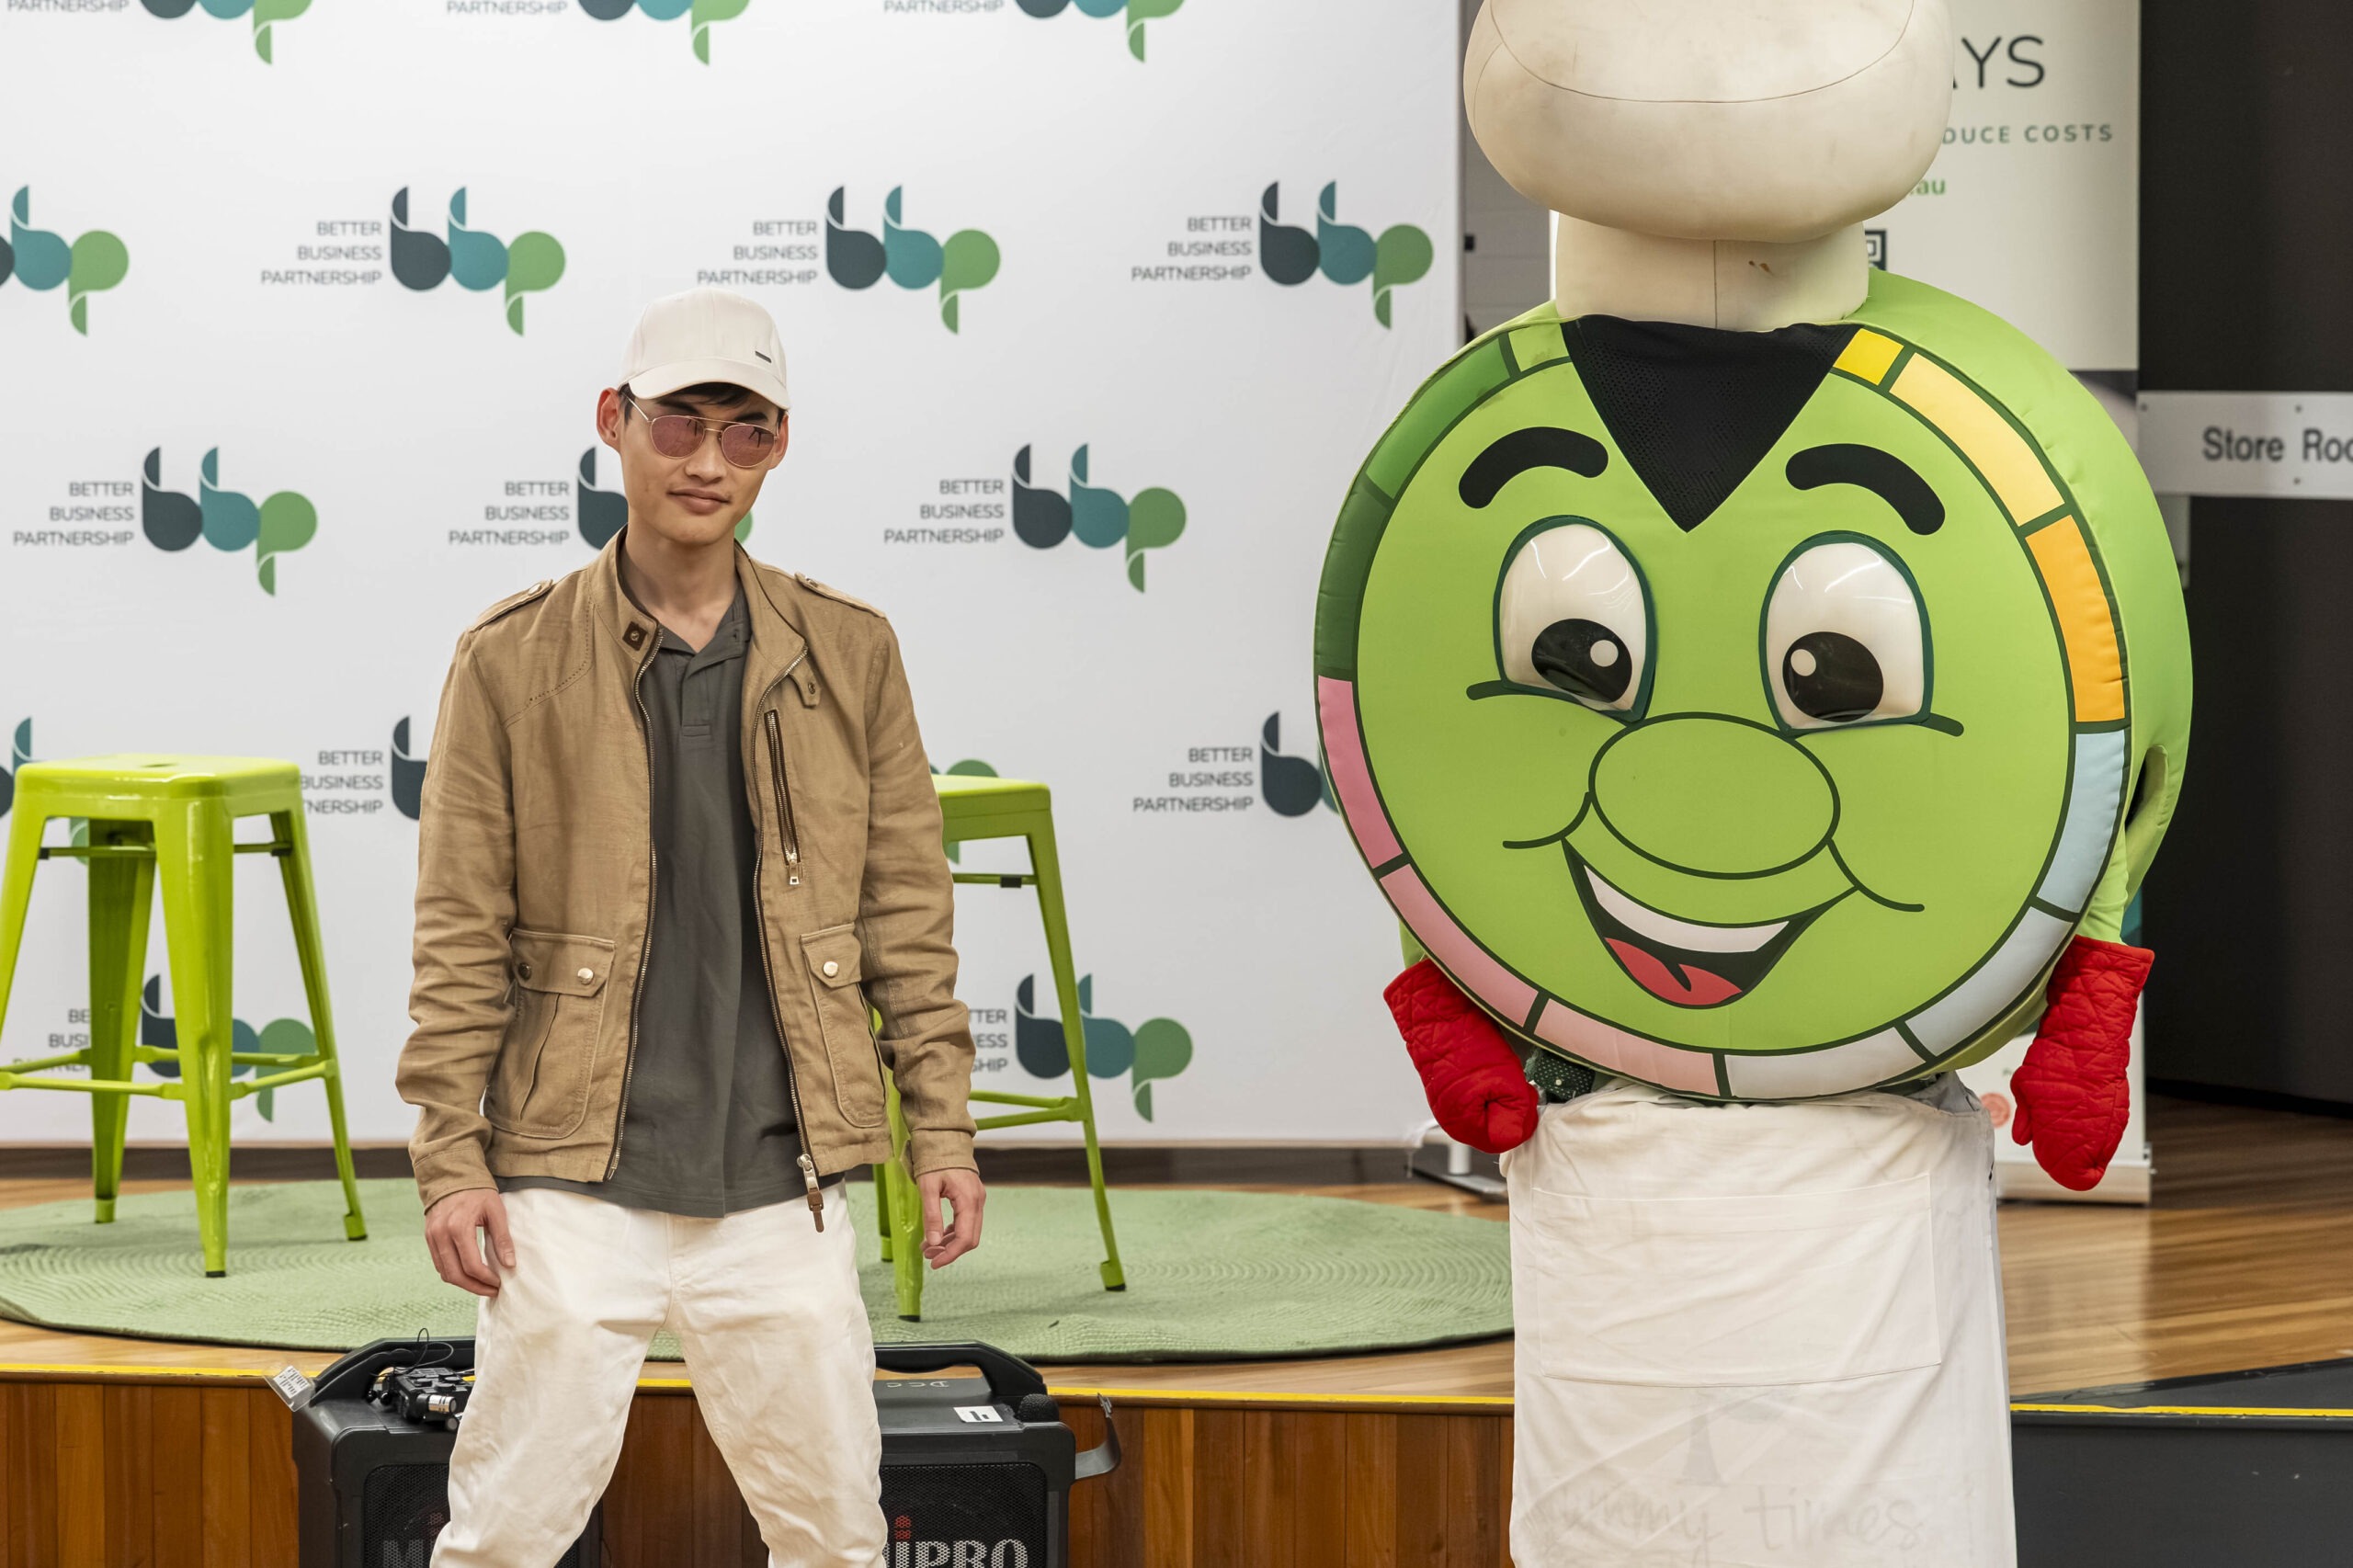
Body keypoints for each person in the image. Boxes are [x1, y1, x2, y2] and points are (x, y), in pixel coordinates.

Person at [396, 286, 984, 1567]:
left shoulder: (852, 651)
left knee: (836, 1540)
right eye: (680, 423)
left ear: (780, 445)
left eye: (746, 429)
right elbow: (459, 931)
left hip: (781, 1181)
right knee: (499, 1542)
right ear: (614, 419)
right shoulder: (508, 659)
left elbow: (906, 915)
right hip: (568, 1180)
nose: (710, 460)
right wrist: (451, 1157)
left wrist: (941, 1127)